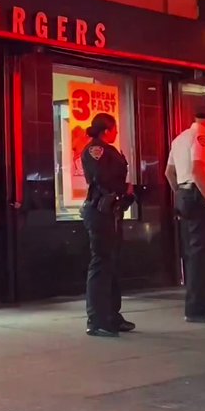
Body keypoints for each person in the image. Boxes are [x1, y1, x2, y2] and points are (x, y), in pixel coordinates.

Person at [165, 102, 205, 324]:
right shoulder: (203, 137)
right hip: (199, 196)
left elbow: (169, 172)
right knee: (202, 256)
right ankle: (197, 309)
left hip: (184, 194)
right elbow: (197, 170)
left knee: (192, 253)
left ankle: (195, 304)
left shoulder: (179, 138)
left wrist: (181, 192)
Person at [79, 112, 135, 337]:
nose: (117, 133)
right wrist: (124, 188)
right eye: (114, 129)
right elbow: (102, 178)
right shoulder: (96, 149)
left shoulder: (108, 149)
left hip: (111, 212)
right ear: (106, 130)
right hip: (100, 211)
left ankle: (112, 314)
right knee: (101, 264)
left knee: (112, 264)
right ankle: (97, 319)